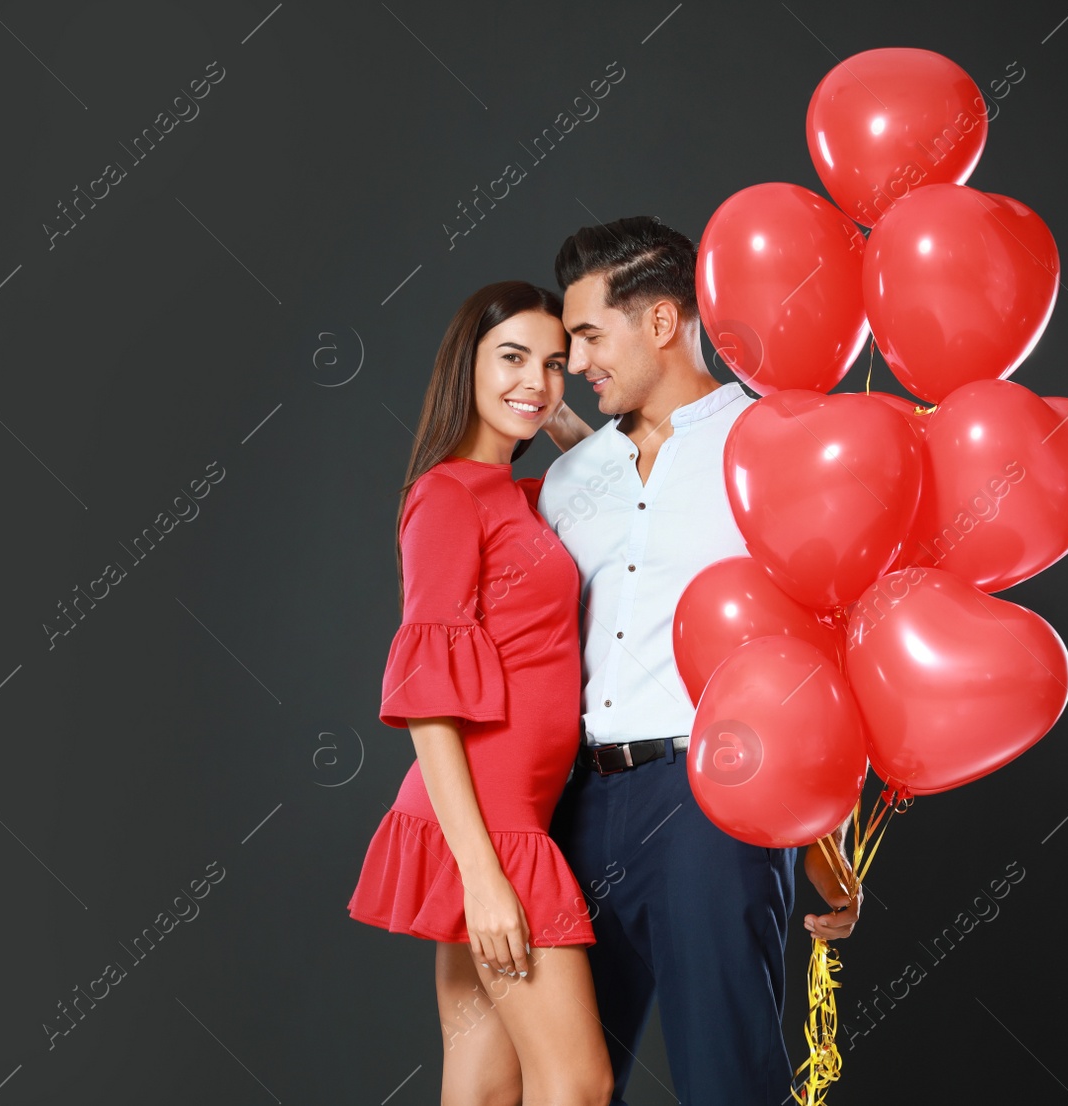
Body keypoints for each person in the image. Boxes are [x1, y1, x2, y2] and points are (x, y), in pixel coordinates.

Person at [537, 216, 860, 1105]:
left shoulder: (772, 447)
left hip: (714, 805)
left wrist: (820, 834)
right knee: (561, 1084)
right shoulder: (570, 482)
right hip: (579, 807)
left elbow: (816, 650)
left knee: (725, 1080)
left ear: (662, 322)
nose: (577, 360)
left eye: (590, 336)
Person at [347, 280, 614, 1106]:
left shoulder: (514, 496)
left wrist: (548, 404)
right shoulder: (446, 496)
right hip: (489, 826)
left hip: (501, 819)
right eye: (511, 358)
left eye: (555, 364)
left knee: (483, 1088)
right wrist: (485, 874)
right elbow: (427, 700)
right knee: (576, 1084)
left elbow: (600, 470)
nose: (535, 380)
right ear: (465, 362)